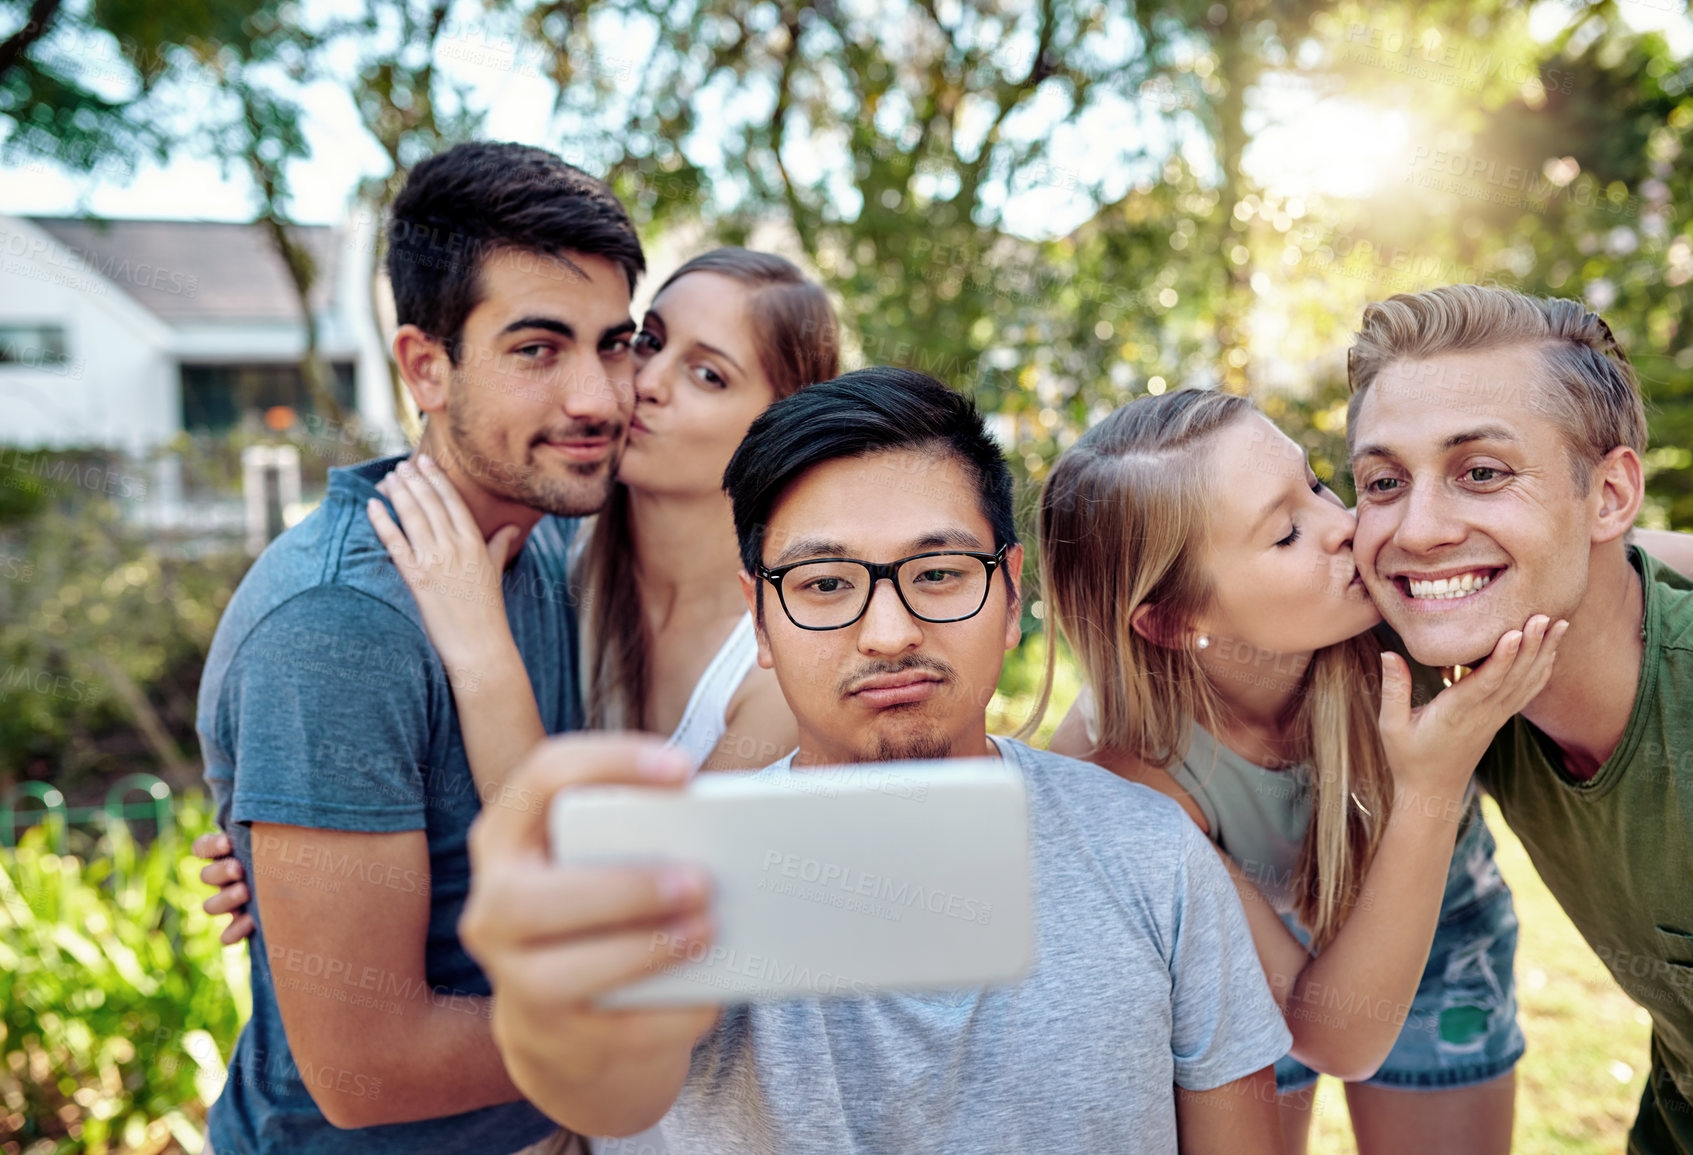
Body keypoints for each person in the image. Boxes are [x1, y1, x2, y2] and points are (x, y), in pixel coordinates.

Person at [457, 368, 1295, 1153]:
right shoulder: (688, 877)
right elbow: (609, 1086)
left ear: (1009, 597)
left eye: (937, 572)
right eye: (825, 583)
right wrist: (549, 1020)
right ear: (759, 619)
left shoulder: (1154, 857)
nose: (889, 632)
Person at [193, 140, 642, 1155]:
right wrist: (661, 1009)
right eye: (537, 350)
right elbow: (366, 1065)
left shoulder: (560, 540)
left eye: (615, 343)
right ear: (425, 367)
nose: (598, 398)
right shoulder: (340, 625)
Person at [195, 248, 840, 948]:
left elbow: (609, 922)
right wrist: (301, 868)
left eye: (706, 373)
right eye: (646, 342)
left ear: (781, 426)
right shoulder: (558, 551)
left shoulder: (781, 663)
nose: (644, 383)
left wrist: (481, 649)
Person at [1038, 388, 1565, 1155]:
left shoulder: (1406, 584)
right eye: (1286, 532)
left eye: (1317, 484)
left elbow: (1599, 557)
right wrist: (1429, 785)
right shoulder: (1118, 763)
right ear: (1175, 620)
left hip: (1441, 929)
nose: (1345, 526)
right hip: (1243, 974)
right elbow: (1332, 1036)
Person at [1345, 284, 1693, 1154]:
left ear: (1608, 495)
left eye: (1481, 471)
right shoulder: (1454, 668)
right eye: (1381, 482)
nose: (1420, 528)